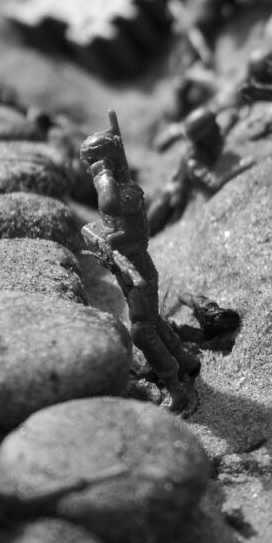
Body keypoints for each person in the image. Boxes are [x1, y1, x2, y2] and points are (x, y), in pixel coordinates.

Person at [80, 114, 201, 413]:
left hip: (139, 272)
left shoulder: (127, 192)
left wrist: (102, 174)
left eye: (94, 162)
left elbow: (109, 204)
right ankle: (185, 359)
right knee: (153, 321)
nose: (90, 168)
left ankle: (175, 389)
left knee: (142, 333)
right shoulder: (121, 189)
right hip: (127, 268)